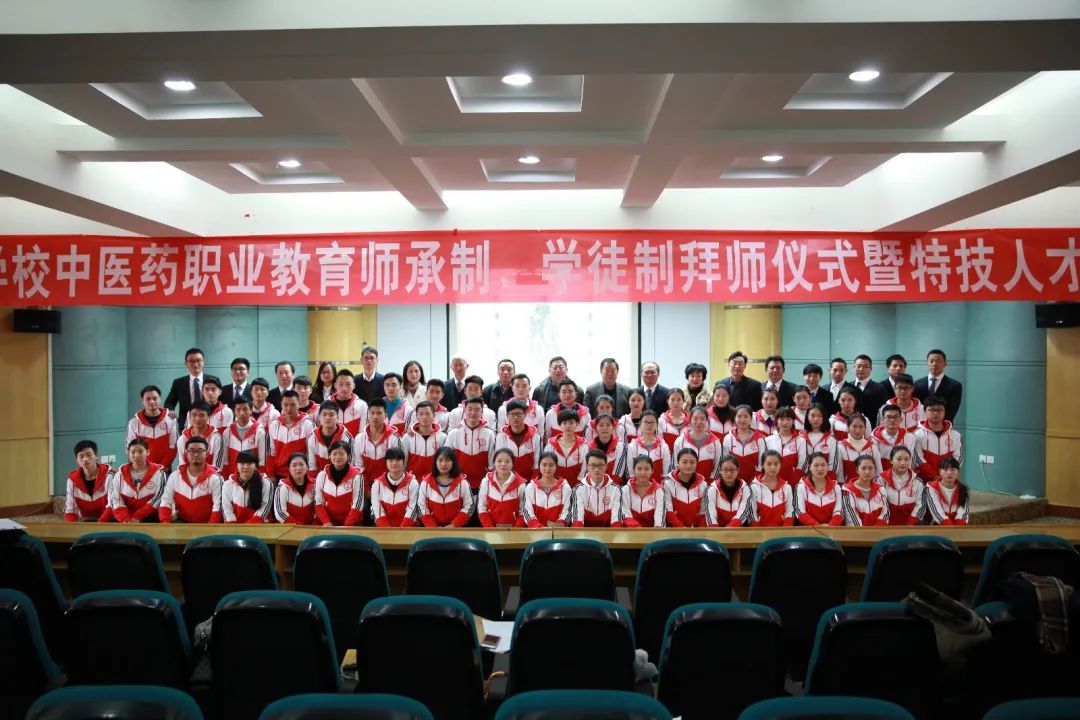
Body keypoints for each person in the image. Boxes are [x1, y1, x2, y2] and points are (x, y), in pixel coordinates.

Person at [158, 436, 223, 523]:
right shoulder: (175, 476)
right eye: (191, 451)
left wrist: (211, 529)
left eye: (200, 450)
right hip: (181, 522)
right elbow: (165, 502)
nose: (195, 454)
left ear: (207, 453)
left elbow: (218, 507)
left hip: (207, 524)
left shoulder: (216, 478)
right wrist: (165, 524)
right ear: (186, 453)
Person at [353, 397, 403, 502]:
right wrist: (367, 491)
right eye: (372, 413)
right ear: (368, 414)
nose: (375, 416)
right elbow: (359, 468)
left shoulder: (394, 438)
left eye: (379, 413)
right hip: (366, 489)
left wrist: (386, 490)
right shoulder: (359, 439)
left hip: (389, 488)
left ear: (385, 415)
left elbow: (397, 467)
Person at [446, 397, 496, 496]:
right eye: (470, 409)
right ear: (465, 410)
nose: (473, 413)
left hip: (482, 483)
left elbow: (492, 461)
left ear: (482, 411)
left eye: (477, 409)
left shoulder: (489, 434)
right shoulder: (454, 434)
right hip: (458, 482)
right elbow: (447, 458)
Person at [109, 438, 167, 523]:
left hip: (151, 516)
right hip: (127, 518)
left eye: (140, 452)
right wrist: (125, 518)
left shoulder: (159, 473)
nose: (136, 455)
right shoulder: (119, 475)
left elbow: (159, 497)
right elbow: (115, 499)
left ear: (148, 452)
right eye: (133, 452)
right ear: (128, 453)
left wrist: (138, 516)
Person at [417, 446, 474, 527]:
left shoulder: (463, 483)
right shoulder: (425, 483)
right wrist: (433, 527)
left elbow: (469, 506)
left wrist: (454, 525)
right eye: (440, 460)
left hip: (457, 528)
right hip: (432, 528)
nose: (443, 464)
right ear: (435, 462)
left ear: (453, 462)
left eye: (447, 460)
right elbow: (421, 507)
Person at [126, 384, 178, 470]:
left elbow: (173, 447)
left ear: (160, 399)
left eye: (155, 398)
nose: (152, 401)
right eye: (148, 399)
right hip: (142, 469)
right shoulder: (133, 423)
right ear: (142, 401)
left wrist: (161, 468)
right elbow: (130, 448)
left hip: (164, 469)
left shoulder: (170, 420)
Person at [913, 395, 963, 483]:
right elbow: (918, 459)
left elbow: (958, 458)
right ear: (925, 411)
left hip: (947, 481)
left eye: (939, 410)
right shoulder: (917, 434)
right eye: (931, 410)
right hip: (923, 481)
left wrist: (946, 475)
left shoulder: (955, 435)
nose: (935, 413)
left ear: (945, 412)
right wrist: (935, 477)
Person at [314, 440, 364, 526]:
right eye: (334, 454)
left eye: (341, 454)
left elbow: (358, 504)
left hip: (352, 524)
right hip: (329, 523)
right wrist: (326, 522)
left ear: (348, 456)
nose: (338, 457)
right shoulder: (322, 475)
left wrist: (347, 525)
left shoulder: (357, 476)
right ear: (329, 456)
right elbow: (318, 502)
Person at [64, 439, 116, 522]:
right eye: (81, 456)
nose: (85, 459)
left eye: (89, 455)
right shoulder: (72, 480)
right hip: (87, 521)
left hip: (110, 520)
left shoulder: (111, 475)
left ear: (96, 456)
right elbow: (70, 511)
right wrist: (71, 527)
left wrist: (98, 526)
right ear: (77, 460)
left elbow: (113, 506)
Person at [266, 390, 313, 481]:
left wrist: (309, 475)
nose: (289, 408)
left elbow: (311, 454)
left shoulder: (308, 425)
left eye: (292, 404)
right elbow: (271, 452)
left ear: (299, 404)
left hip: (300, 474)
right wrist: (270, 473)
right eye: (285, 405)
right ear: (281, 405)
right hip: (278, 474)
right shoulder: (274, 425)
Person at [521, 451, 574, 528]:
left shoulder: (565, 487)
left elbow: (567, 512)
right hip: (536, 531)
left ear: (556, 467)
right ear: (539, 466)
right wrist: (539, 527)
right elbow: (527, 511)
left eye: (551, 465)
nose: (547, 468)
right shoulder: (531, 487)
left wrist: (557, 526)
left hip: (558, 531)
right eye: (544, 465)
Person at [572, 450, 624, 527]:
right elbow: (577, 520)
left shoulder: (616, 489)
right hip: (585, 531)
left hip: (609, 531)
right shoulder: (578, 489)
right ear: (587, 467)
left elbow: (617, 520)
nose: (596, 469)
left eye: (600, 465)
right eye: (593, 465)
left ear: (606, 466)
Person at [477, 448, 527, 528]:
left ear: (512, 463)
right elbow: (482, 507)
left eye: (507, 461)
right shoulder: (486, 482)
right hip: (491, 529)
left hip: (514, 530)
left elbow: (523, 511)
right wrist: (490, 529)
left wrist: (515, 531)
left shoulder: (521, 485)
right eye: (499, 461)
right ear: (494, 463)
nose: (503, 464)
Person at [617, 410, 671, 484]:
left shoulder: (663, 446)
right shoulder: (632, 446)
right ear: (640, 424)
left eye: (652, 422)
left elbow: (666, 473)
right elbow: (630, 473)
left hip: (658, 487)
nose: (649, 425)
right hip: (638, 487)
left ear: (657, 424)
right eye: (645, 422)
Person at [494, 399, 542, 480]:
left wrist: (533, 482)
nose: (516, 417)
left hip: (529, 480)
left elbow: (537, 463)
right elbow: (498, 462)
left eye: (519, 414)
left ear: (525, 414)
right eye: (512, 414)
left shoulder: (535, 437)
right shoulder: (501, 437)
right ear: (507, 416)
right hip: (508, 480)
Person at [371, 447, 419, 527]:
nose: (394, 463)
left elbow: (412, 509)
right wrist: (388, 530)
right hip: (384, 529)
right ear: (386, 463)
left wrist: (401, 530)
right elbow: (377, 511)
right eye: (391, 460)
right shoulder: (377, 485)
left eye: (398, 460)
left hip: (407, 528)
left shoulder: (413, 483)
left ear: (403, 462)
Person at [221, 451, 274, 524]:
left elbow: (265, 508)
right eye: (242, 463)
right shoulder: (227, 485)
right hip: (236, 526)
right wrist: (233, 527)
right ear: (237, 465)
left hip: (260, 525)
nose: (245, 466)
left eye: (249, 463)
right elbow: (227, 511)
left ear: (255, 466)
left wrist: (249, 525)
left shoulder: (266, 483)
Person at [221, 397, 268, 478]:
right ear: (234, 411)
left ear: (251, 410)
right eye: (238, 409)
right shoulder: (227, 432)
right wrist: (226, 478)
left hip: (253, 477)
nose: (242, 413)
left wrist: (260, 478)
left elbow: (262, 460)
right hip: (233, 477)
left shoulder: (259, 431)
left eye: (245, 409)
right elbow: (225, 460)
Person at [721, 405, 769, 483]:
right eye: (739, 416)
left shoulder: (759, 439)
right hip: (733, 480)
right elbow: (725, 461)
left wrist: (757, 479)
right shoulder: (728, 438)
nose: (742, 420)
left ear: (751, 419)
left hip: (754, 480)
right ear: (734, 418)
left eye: (746, 416)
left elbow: (761, 462)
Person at [674, 406, 723, 480]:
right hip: (685, 483)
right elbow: (675, 465)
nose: (699, 422)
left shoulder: (715, 442)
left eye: (702, 419)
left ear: (707, 420)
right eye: (695, 419)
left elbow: (718, 466)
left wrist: (710, 483)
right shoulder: (680, 441)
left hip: (708, 484)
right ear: (690, 420)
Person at [663, 447, 708, 527]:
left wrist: (700, 531)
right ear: (678, 463)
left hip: (696, 530)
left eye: (692, 462)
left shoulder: (703, 484)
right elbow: (668, 512)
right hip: (673, 530)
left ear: (697, 463)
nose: (688, 465)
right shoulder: (667, 484)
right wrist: (682, 529)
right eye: (684, 462)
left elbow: (703, 512)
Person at [400, 400, 447, 478]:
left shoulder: (443, 437)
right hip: (412, 481)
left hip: (434, 481)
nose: (424, 417)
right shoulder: (407, 437)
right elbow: (402, 462)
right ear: (416, 416)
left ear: (434, 416)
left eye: (427, 414)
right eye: (421, 414)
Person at [795, 452, 843, 526]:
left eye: (823, 465)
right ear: (810, 467)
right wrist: (817, 526)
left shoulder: (836, 487)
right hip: (808, 530)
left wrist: (830, 526)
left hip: (831, 529)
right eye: (816, 465)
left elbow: (839, 512)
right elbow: (800, 512)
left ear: (827, 467)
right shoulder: (801, 487)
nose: (820, 469)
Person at [915, 349, 963, 422]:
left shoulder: (955, 386)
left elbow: (952, 410)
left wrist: (938, 424)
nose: (934, 364)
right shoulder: (917, 384)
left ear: (945, 364)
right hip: (921, 425)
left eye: (938, 361)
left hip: (943, 425)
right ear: (927, 363)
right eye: (931, 361)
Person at [748, 450, 795, 526]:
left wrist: (785, 530)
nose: (773, 467)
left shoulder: (787, 487)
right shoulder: (754, 487)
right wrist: (758, 531)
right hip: (759, 531)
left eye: (776, 464)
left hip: (783, 530)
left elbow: (789, 512)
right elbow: (752, 514)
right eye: (769, 464)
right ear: (762, 465)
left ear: (780, 465)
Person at [164, 347, 205, 430]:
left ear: (203, 361)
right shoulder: (178, 383)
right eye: (191, 361)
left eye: (198, 360)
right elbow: (169, 403)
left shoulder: (213, 380)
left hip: (208, 421)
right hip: (186, 424)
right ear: (186, 363)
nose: (195, 364)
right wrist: (171, 411)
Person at [880, 446, 924, 526]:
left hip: (911, 525)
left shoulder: (918, 482)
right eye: (899, 459)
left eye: (906, 459)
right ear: (891, 460)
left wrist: (910, 525)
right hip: (886, 525)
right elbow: (879, 506)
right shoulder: (881, 480)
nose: (903, 463)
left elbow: (920, 506)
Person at [841, 455, 890, 526]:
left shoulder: (881, 490)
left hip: (879, 531)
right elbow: (852, 519)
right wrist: (866, 532)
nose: (867, 472)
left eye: (870, 468)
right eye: (863, 468)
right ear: (857, 470)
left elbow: (885, 513)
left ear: (875, 469)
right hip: (857, 532)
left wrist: (877, 529)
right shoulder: (847, 491)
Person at [547, 407, 590, 487]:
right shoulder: (550, 446)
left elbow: (584, 469)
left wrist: (578, 486)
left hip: (577, 487)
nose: (568, 426)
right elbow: (547, 468)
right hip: (555, 486)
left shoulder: (584, 447)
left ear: (577, 424)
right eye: (564, 423)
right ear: (559, 425)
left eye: (571, 423)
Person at [765, 407, 808, 486]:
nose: (785, 423)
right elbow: (764, 463)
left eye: (788, 419)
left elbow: (803, 464)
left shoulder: (800, 440)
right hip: (772, 481)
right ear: (777, 420)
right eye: (782, 419)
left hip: (794, 482)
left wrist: (794, 481)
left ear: (793, 421)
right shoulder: (768, 440)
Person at [704, 456, 751, 527]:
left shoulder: (745, 488)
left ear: (738, 470)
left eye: (732, 470)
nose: (729, 473)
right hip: (718, 530)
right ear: (720, 470)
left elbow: (744, 512)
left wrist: (729, 529)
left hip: (740, 528)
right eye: (725, 470)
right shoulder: (712, 489)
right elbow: (710, 514)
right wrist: (715, 531)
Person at [307, 400, 351, 474]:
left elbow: (350, 465)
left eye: (331, 415)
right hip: (320, 478)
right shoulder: (312, 437)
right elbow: (312, 467)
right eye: (324, 415)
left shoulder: (346, 437)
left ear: (337, 417)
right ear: (319, 417)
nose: (327, 418)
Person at [835, 413, 881, 484]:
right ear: (848, 427)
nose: (858, 430)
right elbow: (839, 474)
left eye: (861, 426)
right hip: (848, 487)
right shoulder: (841, 446)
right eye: (854, 426)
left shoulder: (872, 447)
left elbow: (878, 471)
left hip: (869, 488)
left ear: (865, 428)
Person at [272, 452, 317, 524]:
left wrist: (313, 526)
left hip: (311, 528)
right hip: (288, 528)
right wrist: (298, 526)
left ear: (307, 467)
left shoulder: (316, 485)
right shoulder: (282, 487)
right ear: (289, 469)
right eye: (294, 465)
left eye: (301, 464)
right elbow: (280, 513)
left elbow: (318, 509)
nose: (298, 468)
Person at [177, 401, 223, 470]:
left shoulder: (216, 438)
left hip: (210, 476)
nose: (197, 419)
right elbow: (182, 466)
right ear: (189, 416)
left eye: (202, 415)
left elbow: (216, 468)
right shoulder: (182, 439)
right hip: (188, 476)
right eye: (194, 415)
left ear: (208, 417)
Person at [622, 455, 666, 527]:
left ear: (652, 471)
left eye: (646, 469)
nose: (643, 472)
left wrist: (657, 530)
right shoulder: (625, 490)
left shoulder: (659, 490)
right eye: (639, 469)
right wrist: (637, 529)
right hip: (630, 531)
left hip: (653, 532)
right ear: (634, 470)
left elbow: (660, 515)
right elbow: (624, 513)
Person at [923, 457, 969, 525]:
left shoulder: (963, 489)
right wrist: (950, 528)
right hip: (938, 526)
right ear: (940, 472)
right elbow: (937, 514)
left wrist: (958, 527)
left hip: (957, 527)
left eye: (952, 469)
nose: (949, 473)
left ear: (958, 472)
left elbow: (963, 513)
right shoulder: (931, 488)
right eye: (945, 469)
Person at [871, 405, 916, 472]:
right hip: (881, 475)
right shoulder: (874, 439)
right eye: (889, 417)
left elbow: (909, 461)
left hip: (902, 474)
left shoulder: (910, 438)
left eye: (895, 417)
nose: (892, 420)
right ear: (882, 420)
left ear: (901, 419)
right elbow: (874, 463)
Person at [801, 403, 839, 477]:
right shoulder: (801, 437)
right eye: (812, 415)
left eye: (819, 415)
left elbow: (833, 464)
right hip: (805, 480)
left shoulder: (831, 439)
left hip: (825, 479)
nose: (816, 419)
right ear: (807, 416)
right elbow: (800, 462)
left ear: (824, 417)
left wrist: (826, 480)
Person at [586, 412, 624, 480]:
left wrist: (611, 482)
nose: (605, 428)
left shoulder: (619, 445)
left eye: (608, 425)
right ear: (596, 428)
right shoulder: (589, 447)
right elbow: (589, 467)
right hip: (595, 480)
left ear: (613, 428)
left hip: (614, 481)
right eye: (601, 425)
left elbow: (619, 469)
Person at [331, 369, 368, 437]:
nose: (344, 388)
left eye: (348, 384)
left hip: (355, 443)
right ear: (335, 385)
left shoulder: (362, 406)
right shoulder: (327, 404)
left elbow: (362, 433)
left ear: (354, 385)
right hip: (333, 444)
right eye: (341, 384)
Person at [851, 354, 884, 423]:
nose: (861, 369)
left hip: (872, 425)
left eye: (865, 366)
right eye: (859, 366)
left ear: (871, 369)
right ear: (853, 368)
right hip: (851, 425)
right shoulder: (847, 387)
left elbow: (882, 413)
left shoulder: (880, 389)